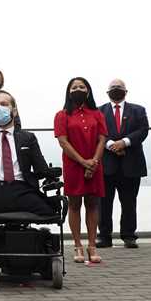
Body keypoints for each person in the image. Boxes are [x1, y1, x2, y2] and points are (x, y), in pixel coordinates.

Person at [55, 77, 107, 265]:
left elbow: (102, 139)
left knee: (93, 204)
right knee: (74, 204)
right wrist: (83, 162)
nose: (78, 89)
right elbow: (63, 141)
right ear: (68, 92)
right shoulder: (62, 115)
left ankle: (92, 245)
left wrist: (93, 162)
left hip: (95, 163)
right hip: (73, 164)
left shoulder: (97, 114)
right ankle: (77, 245)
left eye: (82, 86)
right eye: (74, 87)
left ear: (88, 90)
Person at [96, 79, 148, 249]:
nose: (116, 90)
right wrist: (111, 144)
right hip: (106, 164)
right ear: (107, 92)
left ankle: (129, 235)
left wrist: (124, 142)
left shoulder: (138, 110)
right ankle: (104, 236)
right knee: (103, 203)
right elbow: (97, 133)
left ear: (126, 91)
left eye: (119, 88)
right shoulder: (98, 111)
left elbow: (143, 130)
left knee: (129, 202)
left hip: (131, 163)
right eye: (112, 88)